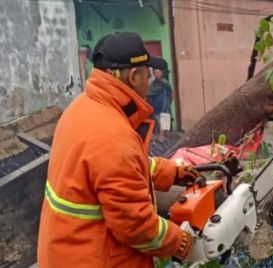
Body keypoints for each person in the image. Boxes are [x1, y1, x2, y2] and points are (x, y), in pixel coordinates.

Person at [38, 32, 200, 267]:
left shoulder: (82, 107)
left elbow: (120, 168)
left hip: (65, 250)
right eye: (147, 74)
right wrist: (184, 243)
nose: (149, 80)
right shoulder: (114, 137)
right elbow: (137, 227)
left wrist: (173, 173)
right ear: (134, 76)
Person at [147, 58, 174, 138]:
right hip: (156, 105)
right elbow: (149, 93)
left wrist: (169, 103)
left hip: (164, 105)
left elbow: (171, 93)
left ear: (161, 73)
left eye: (158, 72)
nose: (156, 74)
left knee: (164, 120)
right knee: (158, 120)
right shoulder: (153, 84)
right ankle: (160, 136)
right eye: (155, 73)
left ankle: (163, 136)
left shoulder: (164, 83)